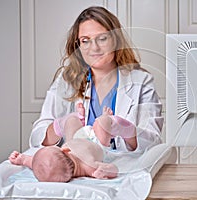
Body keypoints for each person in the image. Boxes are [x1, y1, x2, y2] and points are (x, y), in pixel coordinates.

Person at [29, 6, 163, 157]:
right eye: (85, 41)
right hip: (75, 169)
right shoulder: (67, 80)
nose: (94, 48)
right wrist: (59, 126)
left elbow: (153, 142)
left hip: (123, 167)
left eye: (102, 38)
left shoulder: (141, 82)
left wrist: (125, 131)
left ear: (116, 41)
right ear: (78, 46)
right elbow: (37, 138)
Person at [9, 106, 125, 182]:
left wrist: (23, 159)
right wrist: (103, 172)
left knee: (70, 122)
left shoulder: (51, 165)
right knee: (101, 124)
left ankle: (79, 119)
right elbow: (114, 169)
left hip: (76, 138)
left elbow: (36, 163)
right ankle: (105, 116)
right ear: (65, 150)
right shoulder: (89, 166)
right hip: (97, 142)